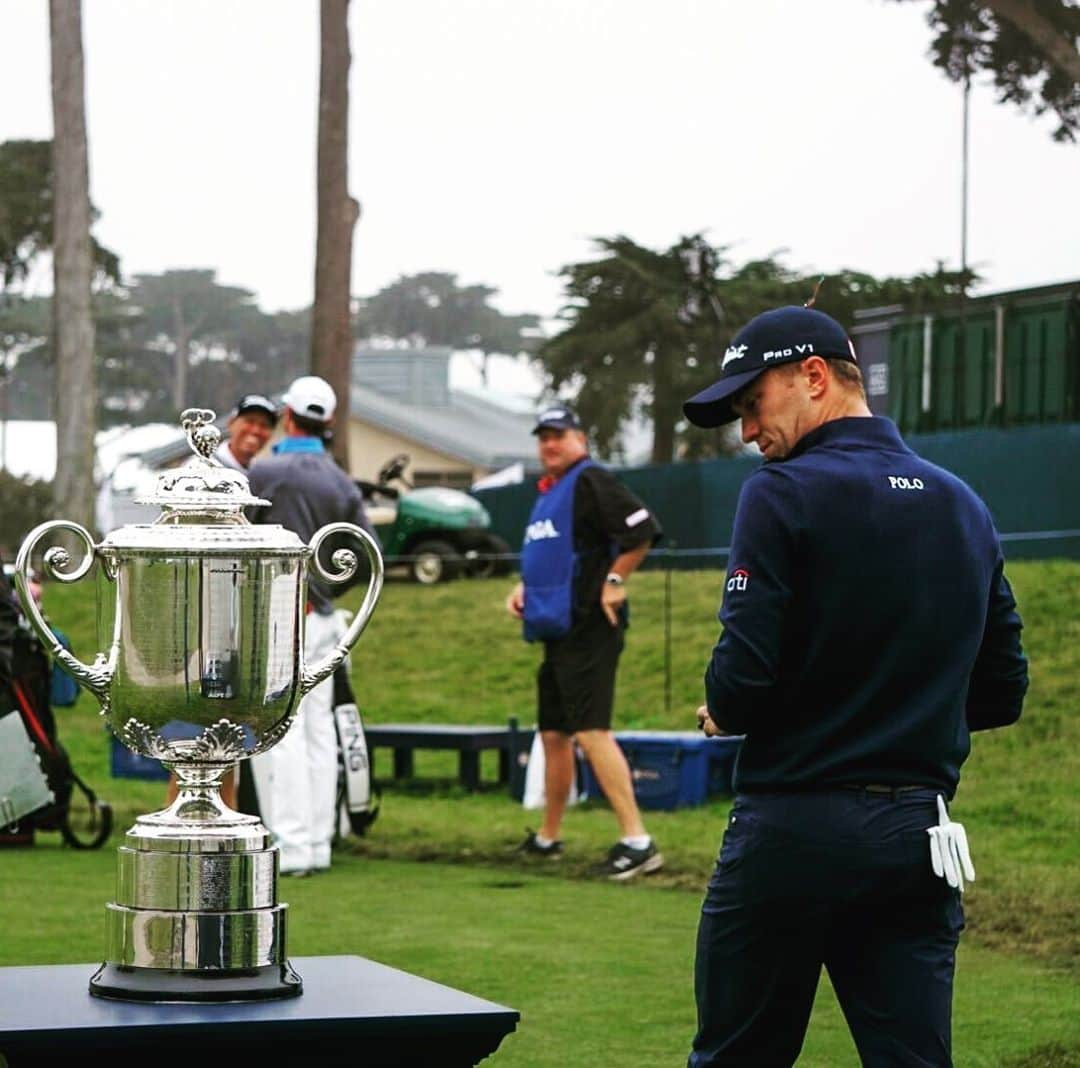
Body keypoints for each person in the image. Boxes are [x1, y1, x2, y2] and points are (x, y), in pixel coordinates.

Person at [681, 306, 1029, 1066]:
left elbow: (740, 684)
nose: (746, 431)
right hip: (917, 837)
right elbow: (1002, 691)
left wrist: (738, 707)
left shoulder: (780, 491)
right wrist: (900, 707)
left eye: (752, 404)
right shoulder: (962, 502)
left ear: (813, 376)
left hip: (794, 828)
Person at [506, 405, 664, 880]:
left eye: (558, 435)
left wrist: (615, 579)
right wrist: (523, 588)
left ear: (580, 438)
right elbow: (551, 555)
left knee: (592, 730)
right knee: (554, 734)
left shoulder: (591, 479)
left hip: (591, 627)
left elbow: (641, 530)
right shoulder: (552, 492)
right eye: (543, 437)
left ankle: (638, 842)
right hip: (558, 631)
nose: (549, 444)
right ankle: (549, 836)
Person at [246, 375, 374, 877]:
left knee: (285, 730)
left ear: (288, 414)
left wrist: (299, 593)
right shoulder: (342, 481)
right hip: (325, 620)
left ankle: (294, 848)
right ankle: (318, 843)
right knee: (317, 728)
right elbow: (364, 555)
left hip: (280, 615)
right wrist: (323, 594)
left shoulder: (265, 471)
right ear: (329, 422)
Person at [215, 393, 278, 471]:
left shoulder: (262, 474)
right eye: (250, 421)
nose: (256, 431)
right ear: (231, 423)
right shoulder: (208, 465)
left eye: (264, 425)